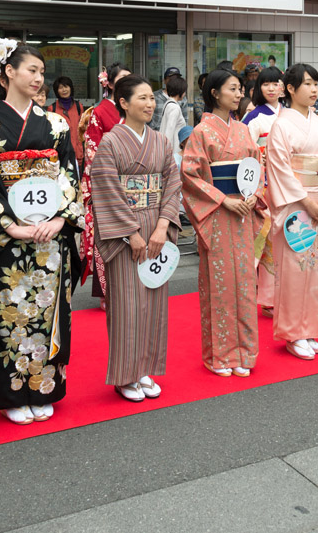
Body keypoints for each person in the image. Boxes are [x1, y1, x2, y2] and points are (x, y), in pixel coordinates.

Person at [0, 40, 83, 425]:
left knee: (49, 311)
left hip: (49, 237)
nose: (37, 78)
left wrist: (61, 219)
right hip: (11, 238)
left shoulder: (56, 124)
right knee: (11, 313)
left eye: (41, 72)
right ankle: (15, 392)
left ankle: (45, 386)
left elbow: (69, 175)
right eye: (30, 70)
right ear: (8, 74)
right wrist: (11, 226)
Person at [90, 75, 182, 401]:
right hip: (126, 232)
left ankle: (145, 368)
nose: (149, 104)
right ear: (124, 103)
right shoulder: (111, 143)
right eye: (141, 98)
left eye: (151, 98)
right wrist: (131, 233)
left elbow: (172, 183)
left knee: (154, 303)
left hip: (156, 225)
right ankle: (126, 374)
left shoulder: (160, 141)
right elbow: (105, 190)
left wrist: (161, 227)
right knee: (128, 304)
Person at [181, 68, 264, 377]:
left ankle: (245, 351)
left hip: (242, 212)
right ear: (214, 93)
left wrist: (254, 193)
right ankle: (220, 355)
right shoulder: (201, 132)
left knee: (244, 285)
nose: (239, 93)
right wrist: (223, 198)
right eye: (232, 88)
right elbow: (190, 175)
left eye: (240, 88)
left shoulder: (243, 130)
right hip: (217, 213)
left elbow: (256, 167)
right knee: (219, 286)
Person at [265, 64, 318, 360]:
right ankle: (292, 332)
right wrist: (308, 203)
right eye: (306, 84)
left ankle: (309, 328)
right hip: (296, 206)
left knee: (315, 268)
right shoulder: (281, 125)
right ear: (290, 89)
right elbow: (280, 169)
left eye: (315, 84)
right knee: (294, 269)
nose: (312, 89)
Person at [82, 62, 131, 304]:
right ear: (109, 83)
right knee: (110, 238)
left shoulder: (132, 108)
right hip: (109, 183)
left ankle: (130, 286)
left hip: (134, 183)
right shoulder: (100, 112)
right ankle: (108, 292)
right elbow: (93, 152)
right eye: (121, 79)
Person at [242, 65, 284, 315]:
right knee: (267, 240)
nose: (271, 88)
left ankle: (283, 293)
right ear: (259, 88)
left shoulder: (289, 114)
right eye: (266, 84)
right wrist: (261, 156)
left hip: (288, 183)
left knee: (285, 240)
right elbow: (244, 152)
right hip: (265, 184)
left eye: (275, 83)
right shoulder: (254, 117)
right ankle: (267, 297)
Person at [47, 76, 84, 161]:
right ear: (57, 91)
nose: (64, 90)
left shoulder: (79, 106)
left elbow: (83, 129)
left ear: (71, 88)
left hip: (77, 152)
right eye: (60, 88)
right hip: (60, 153)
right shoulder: (52, 108)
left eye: (66, 86)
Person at [158, 73, 188, 158]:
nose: (185, 94)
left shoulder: (168, 103)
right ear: (181, 91)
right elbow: (169, 131)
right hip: (173, 153)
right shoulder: (174, 107)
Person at [150, 66, 183, 131]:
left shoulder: (182, 97)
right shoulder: (154, 96)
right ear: (164, 81)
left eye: (176, 78)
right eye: (170, 78)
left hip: (175, 137)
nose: (173, 80)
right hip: (155, 135)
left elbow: (185, 119)